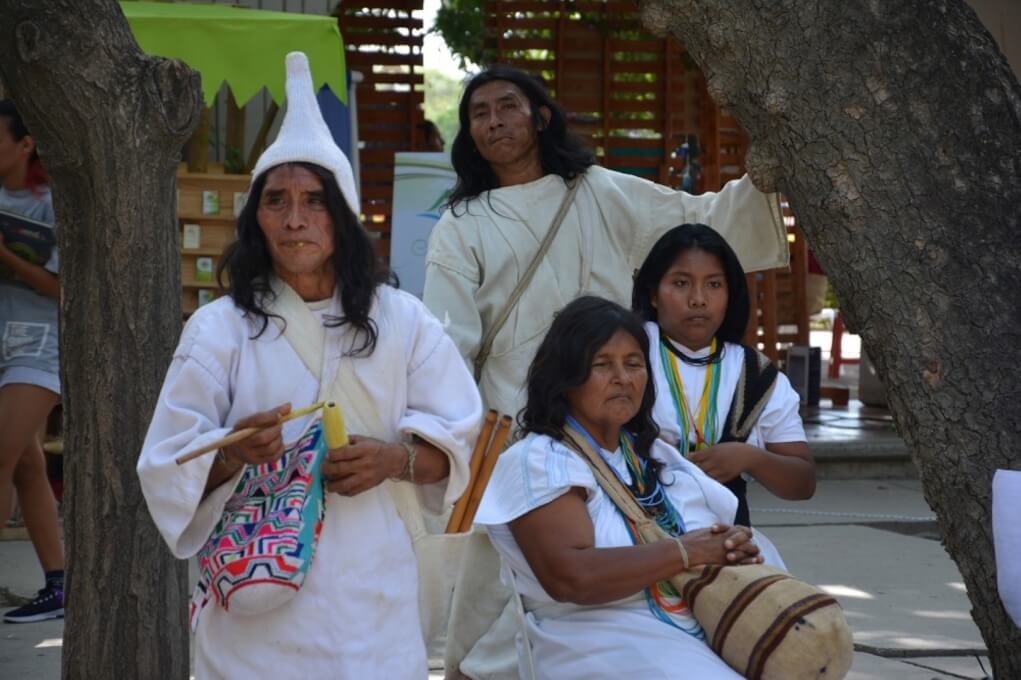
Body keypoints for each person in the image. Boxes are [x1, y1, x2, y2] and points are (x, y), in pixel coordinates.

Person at [423, 65, 787, 679]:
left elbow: (691, 220)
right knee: (500, 576)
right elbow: (447, 342)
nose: (493, 122)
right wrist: (450, 436)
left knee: (625, 557)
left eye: (507, 106)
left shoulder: (596, 191)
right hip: (514, 424)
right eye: (478, 113)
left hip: (612, 416)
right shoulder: (463, 224)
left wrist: (764, 181)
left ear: (540, 117)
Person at [137, 53, 482, 678]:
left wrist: (393, 460)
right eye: (276, 201)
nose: (295, 220)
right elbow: (166, 464)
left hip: (372, 600)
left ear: (344, 218)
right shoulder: (218, 329)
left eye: (314, 201)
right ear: (255, 219)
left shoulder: (404, 321)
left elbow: (459, 442)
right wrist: (234, 452)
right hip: (253, 612)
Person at [474, 296, 766, 679]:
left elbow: (710, 536)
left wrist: (731, 545)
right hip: (595, 640)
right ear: (565, 377)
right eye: (601, 365)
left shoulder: (653, 456)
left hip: (685, 627)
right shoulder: (540, 461)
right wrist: (685, 551)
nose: (623, 378)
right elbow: (571, 577)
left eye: (633, 364)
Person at [632, 223, 815, 527]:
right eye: (680, 283)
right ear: (653, 294)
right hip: (634, 540)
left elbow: (803, 483)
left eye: (714, 285)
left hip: (726, 547)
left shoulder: (757, 375)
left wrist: (750, 458)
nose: (698, 299)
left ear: (731, 294)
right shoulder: (626, 352)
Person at [0, 100, 65, 624]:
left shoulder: (51, 204)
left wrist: (4, 255)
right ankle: (58, 582)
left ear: (26, 145)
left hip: (38, 341)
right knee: (25, 462)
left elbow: (61, 290)